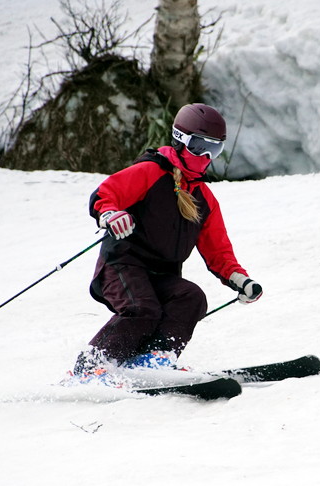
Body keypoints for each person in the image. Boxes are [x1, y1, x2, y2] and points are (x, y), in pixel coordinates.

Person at [74, 103, 262, 374]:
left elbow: (219, 252)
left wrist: (241, 281)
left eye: (215, 149)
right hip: (122, 266)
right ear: (181, 141)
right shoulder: (150, 172)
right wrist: (111, 215)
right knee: (142, 309)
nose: (206, 156)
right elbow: (106, 194)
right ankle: (90, 367)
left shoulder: (204, 199)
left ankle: (153, 361)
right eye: (200, 146)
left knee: (191, 298)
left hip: (161, 276)